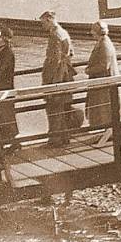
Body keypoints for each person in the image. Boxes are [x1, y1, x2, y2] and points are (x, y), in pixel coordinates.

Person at [41, 11, 77, 146]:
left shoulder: (55, 35)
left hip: (57, 77)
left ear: (50, 20)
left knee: (53, 108)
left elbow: (55, 60)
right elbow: (70, 53)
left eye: (43, 22)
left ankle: (55, 139)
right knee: (62, 108)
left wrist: (49, 81)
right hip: (65, 75)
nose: (42, 26)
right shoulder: (64, 33)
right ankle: (64, 137)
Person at [84, 22, 119, 130]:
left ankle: (106, 132)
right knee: (100, 108)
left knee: (103, 108)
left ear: (98, 32)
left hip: (104, 83)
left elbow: (104, 65)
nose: (91, 33)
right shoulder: (102, 42)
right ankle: (103, 131)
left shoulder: (105, 44)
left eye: (93, 31)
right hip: (101, 81)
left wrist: (88, 70)